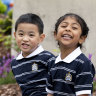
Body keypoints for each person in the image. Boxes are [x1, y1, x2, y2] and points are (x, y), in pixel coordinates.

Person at [46, 13, 95, 96]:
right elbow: (50, 93)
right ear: (55, 35)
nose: (68, 29)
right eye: (64, 26)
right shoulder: (52, 62)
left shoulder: (83, 64)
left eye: (74, 28)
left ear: (81, 38)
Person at [11, 13, 55, 96]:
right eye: (21, 34)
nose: (25, 39)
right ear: (15, 35)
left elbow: (58, 83)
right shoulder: (15, 64)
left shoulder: (48, 58)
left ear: (40, 38)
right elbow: (23, 88)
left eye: (31, 35)